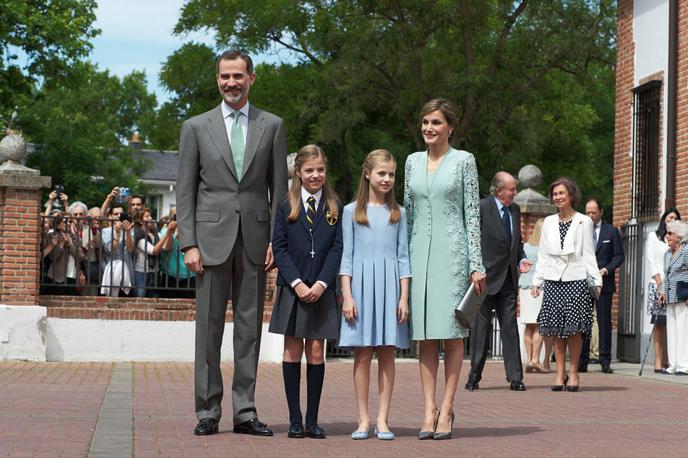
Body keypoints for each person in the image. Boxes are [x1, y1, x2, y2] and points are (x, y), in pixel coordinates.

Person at [176, 50, 288, 437]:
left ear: (251, 79)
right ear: (217, 79)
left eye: (238, 76)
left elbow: (279, 190)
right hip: (208, 242)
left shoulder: (271, 125)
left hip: (256, 241)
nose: (231, 83)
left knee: (249, 330)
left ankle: (245, 411)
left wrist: (277, 238)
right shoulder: (195, 127)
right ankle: (207, 410)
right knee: (208, 330)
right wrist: (188, 242)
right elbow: (185, 190)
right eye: (225, 77)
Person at [404, 98, 485, 440]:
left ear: (450, 126)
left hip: (454, 256)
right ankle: (427, 410)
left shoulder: (464, 161)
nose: (429, 128)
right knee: (424, 336)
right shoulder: (411, 162)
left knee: (451, 335)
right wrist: (402, 262)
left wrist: (476, 264)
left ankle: (448, 408)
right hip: (419, 253)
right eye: (425, 122)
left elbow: (472, 216)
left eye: (435, 122)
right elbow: (408, 214)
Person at [268, 145, 342, 439]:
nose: (315, 175)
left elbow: (338, 249)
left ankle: (312, 420)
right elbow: (280, 248)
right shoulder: (286, 205)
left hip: (321, 290)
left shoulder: (335, 206)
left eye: (320, 170)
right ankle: (295, 419)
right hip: (293, 288)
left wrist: (322, 283)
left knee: (315, 351)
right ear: (298, 172)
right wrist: (297, 283)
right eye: (309, 170)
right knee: (293, 349)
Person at [339, 149, 410, 441]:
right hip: (361, 289)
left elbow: (404, 258)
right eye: (382, 173)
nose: (387, 179)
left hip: (390, 288)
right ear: (367, 173)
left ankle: (383, 419)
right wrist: (347, 295)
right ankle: (363, 420)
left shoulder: (399, 213)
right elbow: (347, 257)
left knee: (388, 354)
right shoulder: (350, 211)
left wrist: (404, 297)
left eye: (392, 174)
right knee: (363, 354)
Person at [531, 177, 602, 392]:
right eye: (554, 194)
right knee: (554, 329)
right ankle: (559, 372)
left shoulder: (584, 221)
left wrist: (596, 280)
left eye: (562, 193)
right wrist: (537, 281)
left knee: (574, 330)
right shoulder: (548, 222)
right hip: (553, 281)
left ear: (571, 195)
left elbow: (589, 253)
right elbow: (542, 255)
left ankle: (573, 372)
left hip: (576, 279)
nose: (558, 197)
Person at [466, 172, 531, 392]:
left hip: (508, 280)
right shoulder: (483, 207)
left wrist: (521, 258)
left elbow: (517, 242)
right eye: (512, 189)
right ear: (498, 190)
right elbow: (472, 239)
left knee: (510, 329)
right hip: (483, 280)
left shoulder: (514, 210)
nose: (514, 193)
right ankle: (474, 376)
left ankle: (515, 378)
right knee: (481, 331)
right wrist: (473, 270)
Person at [578, 198, 625, 374]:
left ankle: (605, 360)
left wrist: (606, 269)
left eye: (594, 212)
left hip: (604, 283)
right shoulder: (580, 229)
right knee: (583, 321)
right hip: (583, 281)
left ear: (601, 212)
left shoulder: (610, 231)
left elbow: (619, 256)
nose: (590, 216)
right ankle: (581, 360)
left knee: (604, 322)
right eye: (588, 212)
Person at [645, 207, 681, 373]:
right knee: (659, 324)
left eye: (675, 217)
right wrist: (660, 286)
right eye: (669, 217)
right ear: (664, 218)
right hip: (657, 285)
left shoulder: (680, 239)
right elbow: (652, 262)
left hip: (674, 287)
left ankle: (671, 360)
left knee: (673, 323)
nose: (672, 219)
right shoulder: (654, 237)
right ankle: (658, 360)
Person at [519, 218, 552, 373]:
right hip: (540, 288)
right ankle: (535, 360)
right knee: (539, 324)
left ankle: (529, 360)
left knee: (528, 325)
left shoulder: (525, 247)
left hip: (524, 288)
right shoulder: (546, 249)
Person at [659, 220, 688, 375]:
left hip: (683, 296)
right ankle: (673, 365)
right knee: (672, 331)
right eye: (667, 233)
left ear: (679, 236)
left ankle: (684, 366)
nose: (667, 236)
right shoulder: (667, 254)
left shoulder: (686, 251)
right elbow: (666, 276)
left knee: (683, 331)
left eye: (670, 233)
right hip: (670, 297)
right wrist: (662, 292)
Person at [132, 208, 174, 297]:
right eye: (147, 216)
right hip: (141, 273)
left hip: (155, 272)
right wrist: (166, 235)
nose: (151, 218)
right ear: (141, 221)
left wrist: (170, 234)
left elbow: (167, 247)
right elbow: (154, 251)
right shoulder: (138, 235)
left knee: (153, 299)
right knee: (140, 300)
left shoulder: (156, 234)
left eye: (150, 216)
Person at [159, 209, 195, 299]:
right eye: (176, 216)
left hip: (189, 274)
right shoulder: (165, 231)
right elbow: (166, 247)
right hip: (170, 274)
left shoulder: (190, 230)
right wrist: (172, 233)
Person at [100, 204, 134, 297]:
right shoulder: (105, 231)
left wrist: (128, 232)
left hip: (127, 274)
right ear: (110, 216)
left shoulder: (130, 230)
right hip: (111, 275)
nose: (119, 216)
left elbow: (130, 249)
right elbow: (110, 249)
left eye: (121, 214)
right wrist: (118, 234)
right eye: (116, 214)